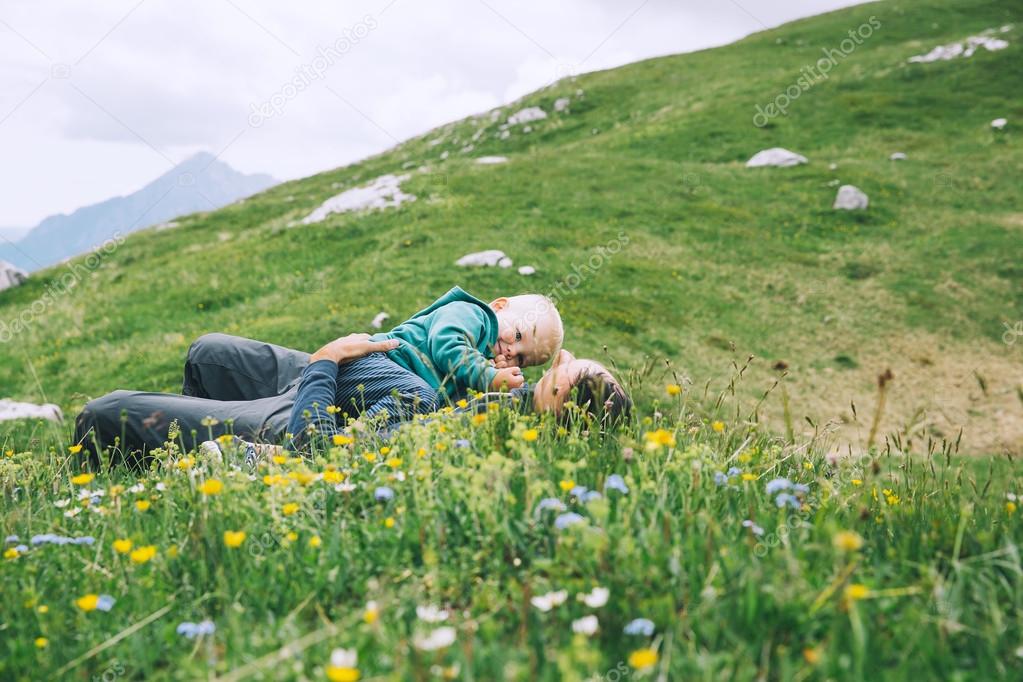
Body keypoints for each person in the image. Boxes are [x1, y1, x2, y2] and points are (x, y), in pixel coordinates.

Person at [289, 286, 564, 445]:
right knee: (421, 396)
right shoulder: (472, 314)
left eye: (522, 359)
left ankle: (343, 440)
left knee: (422, 407)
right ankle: (339, 445)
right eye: (518, 336)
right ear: (500, 306)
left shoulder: (479, 360)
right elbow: (447, 345)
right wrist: (489, 375)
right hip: (370, 363)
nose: (511, 350)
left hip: (381, 391)